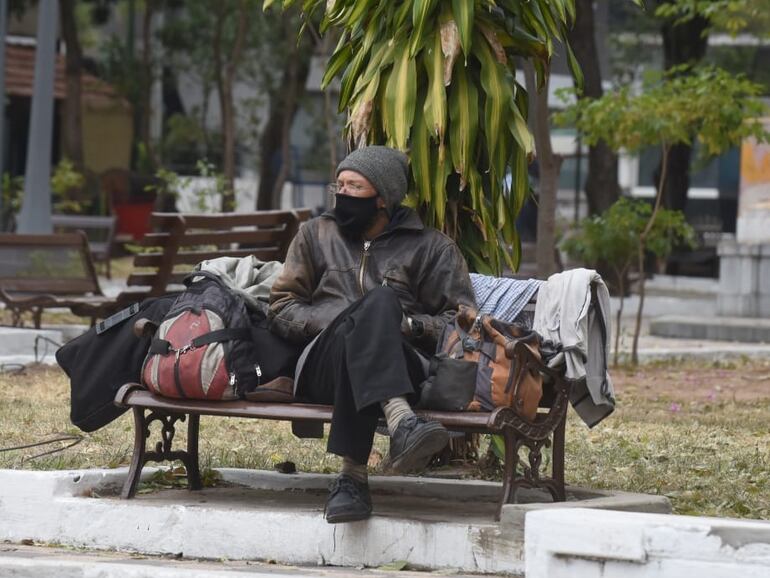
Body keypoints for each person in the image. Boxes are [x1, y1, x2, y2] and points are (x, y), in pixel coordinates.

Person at [268, 146, 475, 523]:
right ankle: (400, 421)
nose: (342, 193)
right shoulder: (315, 235)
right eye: (340, 184)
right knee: (367, 316)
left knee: (379, 304)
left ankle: (352, 481)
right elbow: (282, 305)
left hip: (403, 364)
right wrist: (343, 324)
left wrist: (412, 326)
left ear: (382, 198)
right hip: (322, 362)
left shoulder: (431, 248)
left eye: (354, 186)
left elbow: (461, 321)